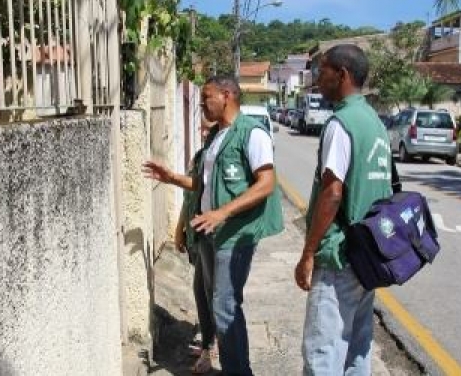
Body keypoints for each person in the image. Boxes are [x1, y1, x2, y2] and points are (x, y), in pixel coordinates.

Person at [144, 75, 284, 376]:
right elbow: (203, 184)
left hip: (235, 235)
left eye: (206, 97)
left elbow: (266, 184)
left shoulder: (252, 134)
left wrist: (222, 213)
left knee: (225, 305)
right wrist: (172, 178)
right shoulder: (216, 136)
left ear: (226, 95)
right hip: (209, 234)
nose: (202, 104)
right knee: (211, 299)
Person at [294, 45, 392, 375]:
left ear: (343, 74)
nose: (317, 79)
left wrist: (309, 252)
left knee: (323, 352)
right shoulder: (374, 122)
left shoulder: (342, 123)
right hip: (370, 254)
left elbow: (332, 193)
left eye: (322, 71)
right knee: (357, 349)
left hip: (340, 255)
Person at [173, 117, 217, 374]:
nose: (202, 131)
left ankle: (211, 348)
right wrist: (180, 229)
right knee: (201, 290)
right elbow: (188, 198)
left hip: (212, 236)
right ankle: (208, 345)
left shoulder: (215, 159)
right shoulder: (200, 157)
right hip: (197, 236)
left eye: (207, 128)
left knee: (210, 294)